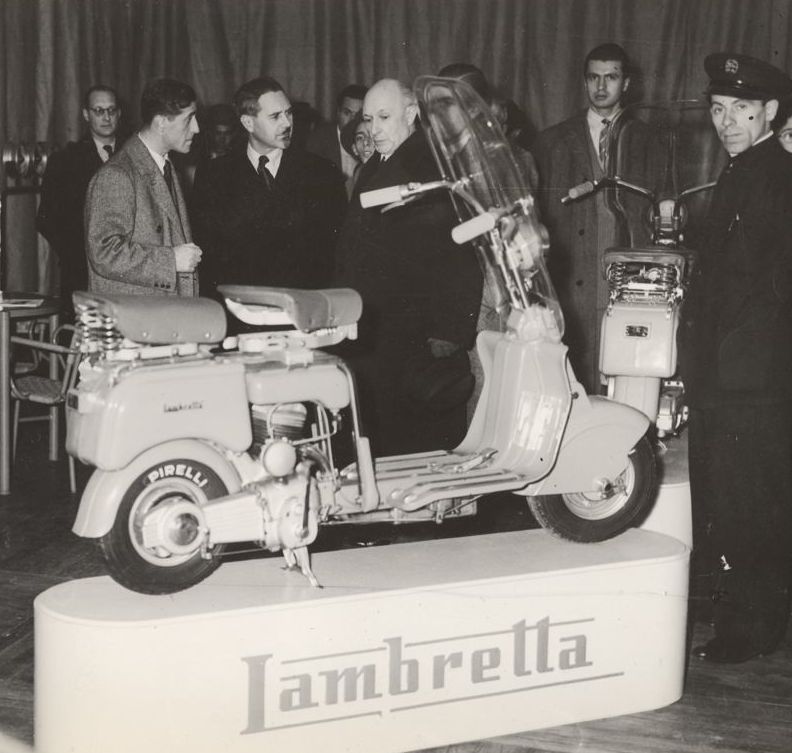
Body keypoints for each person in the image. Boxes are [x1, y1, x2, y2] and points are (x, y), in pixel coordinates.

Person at [683, 52, 792, 663]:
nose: (725, 122)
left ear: (770, 113)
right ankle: (736, 617)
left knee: (755, 505)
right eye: (718, 110)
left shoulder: (778, 175)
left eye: (741, 110)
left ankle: (754, 629)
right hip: (726, 375)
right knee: (729, 500)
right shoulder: (742, 170)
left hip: (755, 379)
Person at [335, 78, 482, 456]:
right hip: (378, 330)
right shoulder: (374, 165)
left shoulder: (430, 164)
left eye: (384, 117)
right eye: (368, 119)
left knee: (421, 444)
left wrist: (449, 332)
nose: (373, 128)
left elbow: (459, 253)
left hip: (419, 337)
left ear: (412, 114)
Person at [532, 43, 652, 393]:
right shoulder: (551, 142)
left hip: (626, 286)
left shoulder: (650, 140)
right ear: (584, 82)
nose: (601, 87)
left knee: (626, 379)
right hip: (572, 288)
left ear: (626, 83)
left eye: (611, 77)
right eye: (593, 78)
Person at [191, 76, 346, 297]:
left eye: (289, 113)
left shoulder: (321, 172)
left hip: (302, 309)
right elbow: (208, 254)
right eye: (275, 116)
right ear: (248, 123)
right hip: (239, 308)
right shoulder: (214, 175)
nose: (287, 123)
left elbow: (334, 251)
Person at [84, 78, 202, 297]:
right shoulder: (117, 174)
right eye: (189, 119)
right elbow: (103, 252)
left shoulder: (164, 165)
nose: (196, 128)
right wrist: (171, 260)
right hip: (135, 318)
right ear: (160, 123)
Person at [37, 85, 122, 312]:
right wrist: (80, 254)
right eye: (98, 111)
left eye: (111, 110)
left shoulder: (135, 156)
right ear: (86, 115)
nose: (106, 117)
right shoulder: (65, 161)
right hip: (82, 272)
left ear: (119, 113)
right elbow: (46, 220)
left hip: (128, 276)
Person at [305, 83, 367, 193]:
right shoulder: (318, 139)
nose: (353, 120)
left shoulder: (372, 140)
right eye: (347, 113)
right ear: (338, 112)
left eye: (358, 115)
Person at [338, 112, 374, 199]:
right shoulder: (349, 187)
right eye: (360, 137)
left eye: (372, 136)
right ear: (355, 149)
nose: (366, 142)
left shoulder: (394, 177)